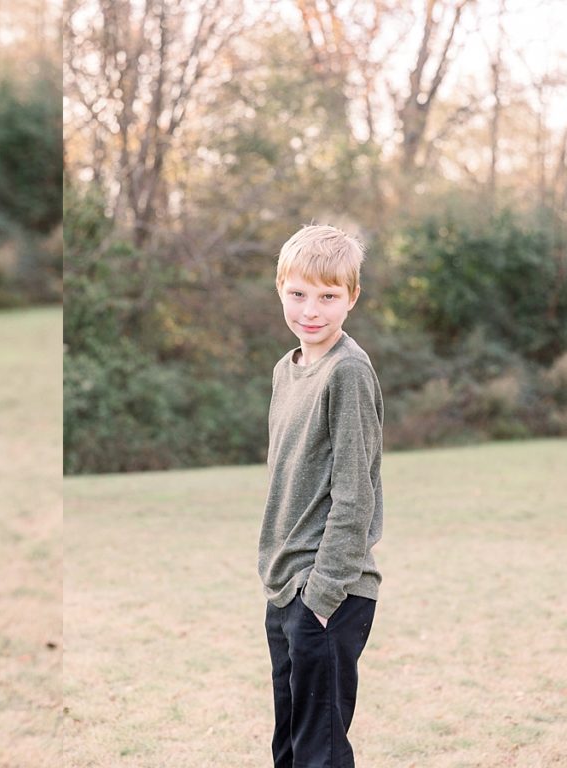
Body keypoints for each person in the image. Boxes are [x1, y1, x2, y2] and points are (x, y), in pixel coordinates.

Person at [257, 224, 383, 768]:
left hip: (327, 590)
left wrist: (324, 593)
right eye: (299, 293)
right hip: (285, 586)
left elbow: (356, 495)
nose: (312, 309)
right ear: (280, 288)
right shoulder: (289, 370)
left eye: (329, 296)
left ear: (351, 298)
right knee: (288, 746)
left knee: (320, 753)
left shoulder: (348, 372)